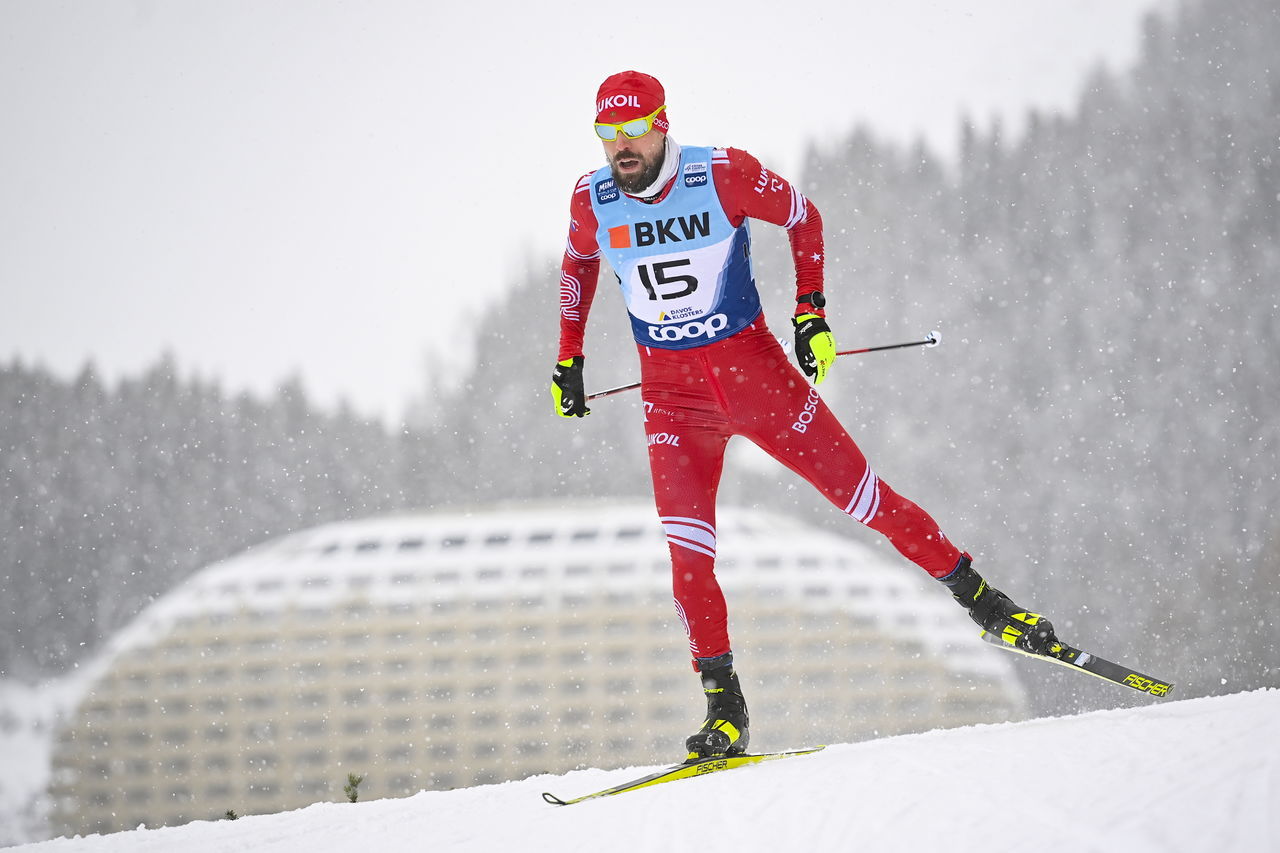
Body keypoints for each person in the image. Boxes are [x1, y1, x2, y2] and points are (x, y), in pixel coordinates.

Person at [550, 70, 1056, 761]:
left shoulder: (721, 174)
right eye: (607, 134)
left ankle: (986, 603)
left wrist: (811, 311)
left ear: (662, 123)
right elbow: (577, 263)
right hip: (672, 399)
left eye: (631, 130)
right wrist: (568, 357)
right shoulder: (592, 197)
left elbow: (802, 215)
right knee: (688, 559)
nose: (619, 147)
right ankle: (726, 707)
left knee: (866, 498)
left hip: (755, 377)